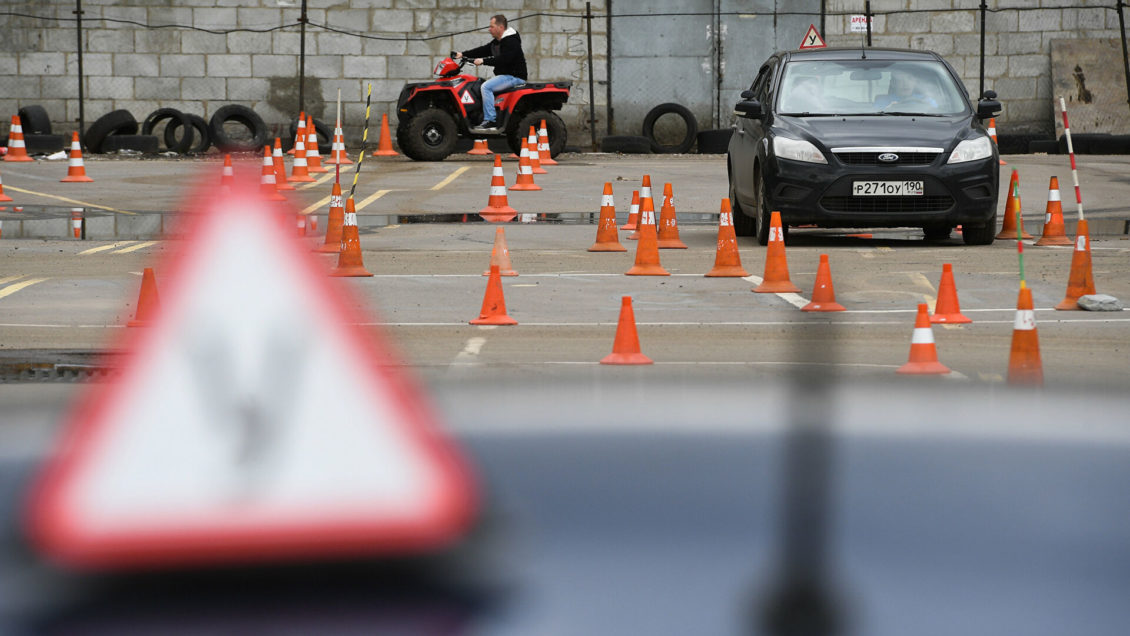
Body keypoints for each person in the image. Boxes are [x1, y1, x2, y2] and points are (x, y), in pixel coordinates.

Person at [455, 15, 528, 132]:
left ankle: (490, 120)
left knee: (486, 87)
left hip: (515, 77)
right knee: (479, 84)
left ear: (501, 27)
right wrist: (463, 54)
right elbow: (483, 50)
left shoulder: (511, 41)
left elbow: (505, 60)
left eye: (492, 26)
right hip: (505, 76)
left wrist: (483, 61)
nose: (489, 29)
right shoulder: (497, 42)